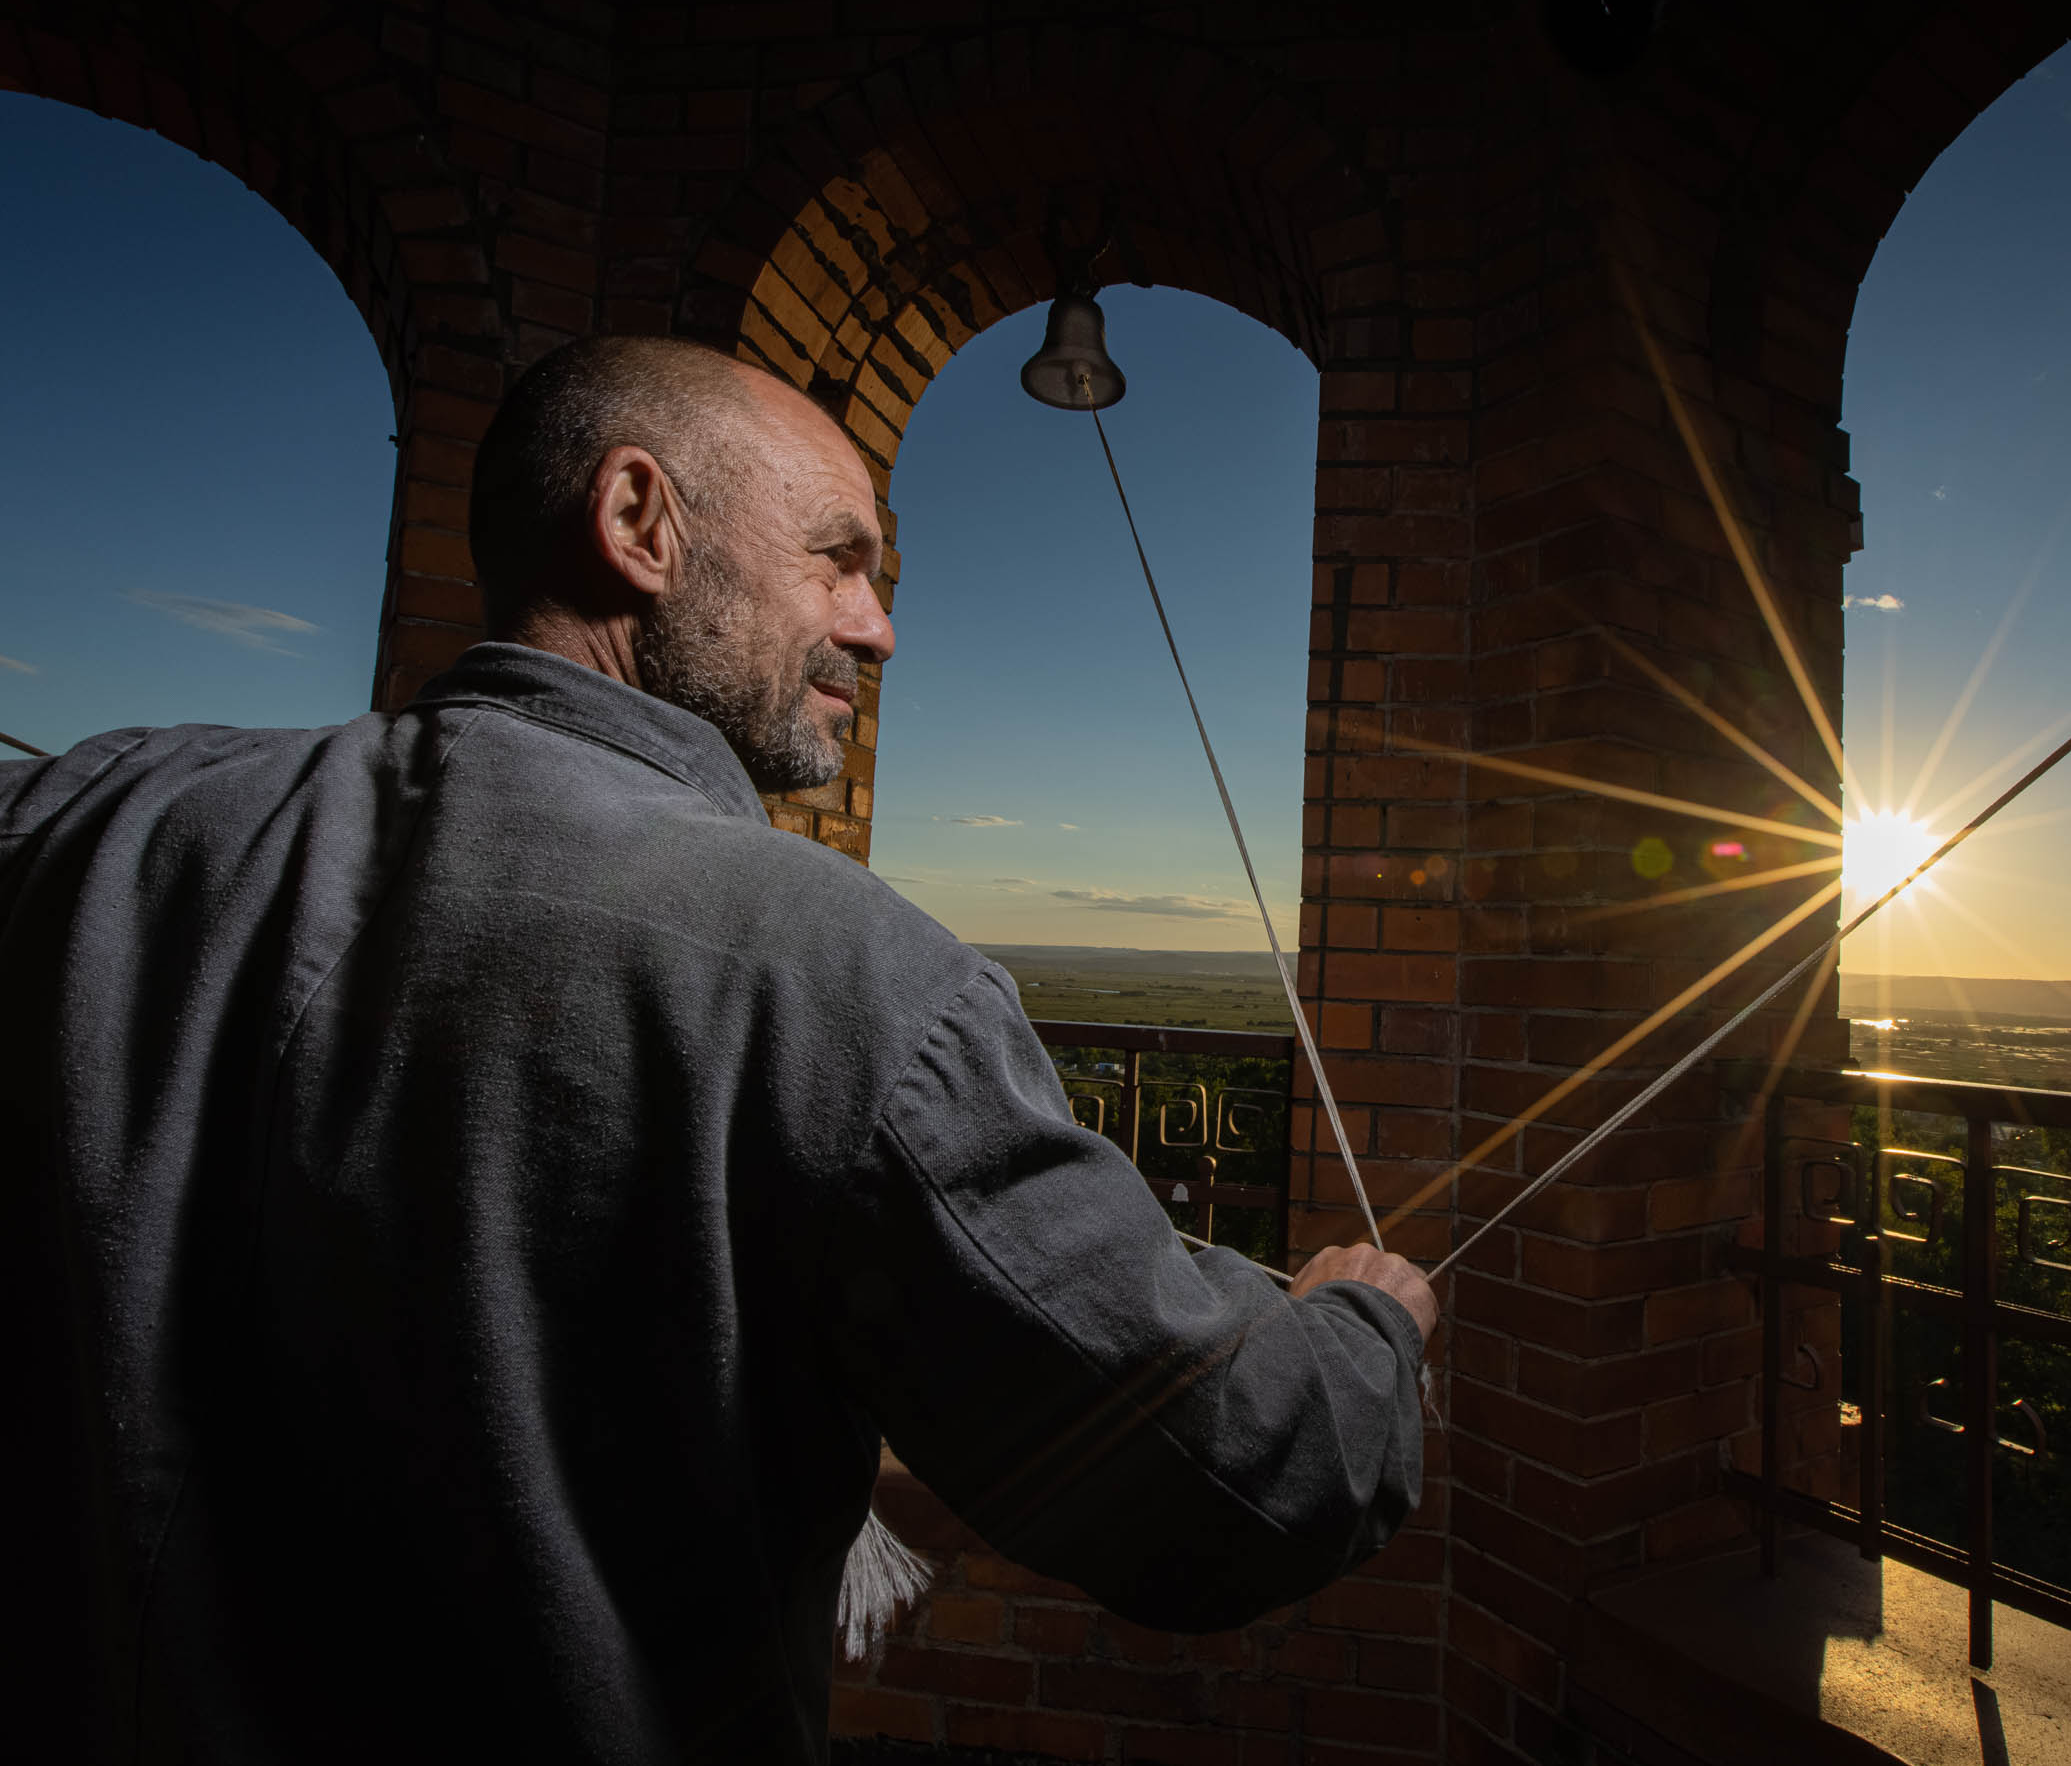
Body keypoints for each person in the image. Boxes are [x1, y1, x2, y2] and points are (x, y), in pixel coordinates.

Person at [0, 335, 1436, 1764]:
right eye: (838, 558)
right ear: (640, 523)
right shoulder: (842, 968)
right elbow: (1228, 1483)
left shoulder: (95, 817)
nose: (877, 627)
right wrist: (1362, 1325)